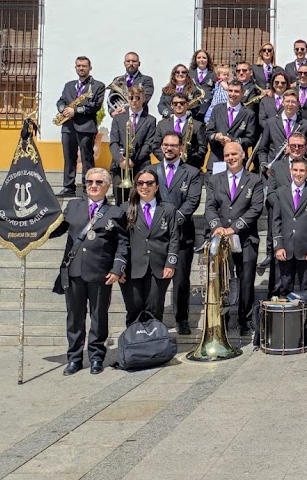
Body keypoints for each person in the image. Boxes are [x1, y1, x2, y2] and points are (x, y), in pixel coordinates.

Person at [51, 168, 127, 375]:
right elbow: (57, 229)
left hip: (100, 273)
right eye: (89, 181)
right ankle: (74, 358)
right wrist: (34, 230)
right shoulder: (73, 206)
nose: (93, 185)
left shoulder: (116, 212)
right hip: (74, 271)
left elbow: (122, 243)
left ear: (107, 186)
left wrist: (117, 268)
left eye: (98, 182)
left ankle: (96, 357)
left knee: (98, 317)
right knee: (74, 318)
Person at [205, 142, 264, 341]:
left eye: (234, 154)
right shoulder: (214, 180)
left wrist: (235, 227)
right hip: (220, 238)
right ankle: (223, 318)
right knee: (222, 280)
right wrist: (217, 227)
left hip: (246, 238)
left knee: (246, 281)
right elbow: (210, 207)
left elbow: (256, 208)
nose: (231, 158)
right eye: (227, 155)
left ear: (242, 156)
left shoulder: (254, 180)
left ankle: (245, 321)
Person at [153, 132, 202, 336]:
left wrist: (173, 222)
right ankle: (154, 320)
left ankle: (182, 319)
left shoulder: (192, 172)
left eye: (173, 145)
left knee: (181, 279)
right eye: (166, 145)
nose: (169, 148)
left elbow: (192, 201)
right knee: (156, 281)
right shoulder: (151, 171)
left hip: (182, 234)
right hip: (156, 237)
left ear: (181, 148)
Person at [120, 167, 180, 325]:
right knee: (134, 308)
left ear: (157, 186)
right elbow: (120, 241)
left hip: (159, 267)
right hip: (132, 268)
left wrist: (171, 263)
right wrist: (118, 267)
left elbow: (174, 238)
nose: (144, 187)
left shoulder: (168, 209)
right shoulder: (125, 209)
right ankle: (134, 344)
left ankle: (154, 345)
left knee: (154, 309)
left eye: (149, 183)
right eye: (140, 183)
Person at [56, 56, 105, 197]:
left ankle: (88, 186)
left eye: (84, 66)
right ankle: (68, 187)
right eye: (78, 66)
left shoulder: (97, 86)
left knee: (87, 158)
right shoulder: (69, 85)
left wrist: (75, 110)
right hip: (68, 127)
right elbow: (61, 100)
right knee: (69, 157)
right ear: (75, 67)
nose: (81, 68)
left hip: (86, 127)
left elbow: (95, 106)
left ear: (90, 68)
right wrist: (62, 109)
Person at [271, 157, 307, 296]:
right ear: (290, 170)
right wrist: (278, 246)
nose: (298, 174)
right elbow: (276, 221)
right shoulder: (281, 192)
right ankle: (286, 317)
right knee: (285, 287)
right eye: (295, 170)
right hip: (285, 249)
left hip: (306, 250)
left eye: (302, 170)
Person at [108, 88, 159, 205]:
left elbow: (148, 144)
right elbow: (114, 142)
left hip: (140, 165)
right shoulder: (118, 118)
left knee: (138, 200)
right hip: (119, 166)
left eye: (138, 98)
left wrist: (133, 161)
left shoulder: (150, 120)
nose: (134, 101)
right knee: (120, 201)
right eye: (131, 98)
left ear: (143, 99)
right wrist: (121, 160)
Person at [206, 81, 257, 164]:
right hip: (217, 159)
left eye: (236, 91)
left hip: (237, 161)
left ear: (242, 93)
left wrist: (233, 141)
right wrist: (217, 137)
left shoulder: (249, 114)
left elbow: (250, 139)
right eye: (230, 91)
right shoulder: (217, 109)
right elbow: (208, 133)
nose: (232, 94)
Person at [258, 88, 307, 166]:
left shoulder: (305, 125)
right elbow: (262, 149)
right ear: (282, 103)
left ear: (298, 104)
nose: (290, 104)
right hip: (273, 168)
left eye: (293, 102)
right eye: (287, 101)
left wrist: (296, 152)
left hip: (296, 169)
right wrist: (264, 166)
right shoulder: (270, 123)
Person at [157, 93, 208, 170]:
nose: (178, 105)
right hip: (167, 167)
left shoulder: (197, 125)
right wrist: (168, 159)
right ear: (171, 105)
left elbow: (202, 148)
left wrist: (186, 158)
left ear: (187, 105)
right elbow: (155, 146)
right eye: (175, 103)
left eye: (182, 103)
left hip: (189, 167)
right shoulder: (161, 124)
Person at [108, 51, 155, 117]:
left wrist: (127, 107)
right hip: (120, 118)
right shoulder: (117, 80)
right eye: (128, 61)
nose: (131, 64)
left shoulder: (147, 80)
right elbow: (111, 100)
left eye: (134, 61)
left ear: (139, 64)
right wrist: (112, 113)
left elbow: (145, 99)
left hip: (140, 117)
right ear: (124, 64)